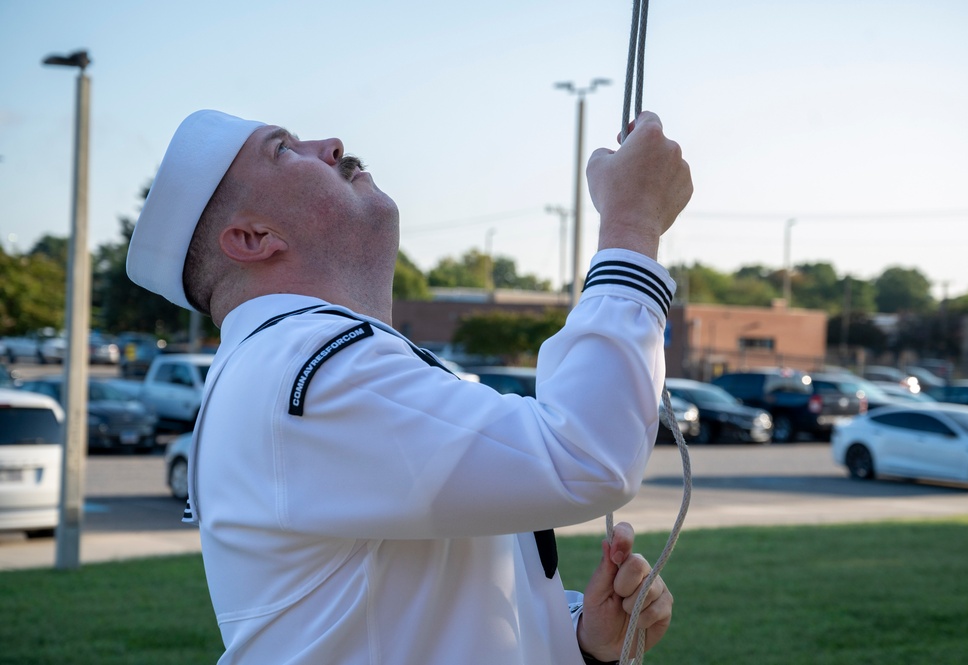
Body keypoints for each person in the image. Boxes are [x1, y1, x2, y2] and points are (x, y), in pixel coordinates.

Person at [127, 107, 692, 664]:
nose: (331, 144)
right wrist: (631, 226)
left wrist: (578, 639)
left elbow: (419, 613)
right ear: (252, 237)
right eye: (283, 149)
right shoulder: (305, 367)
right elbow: (586, 453)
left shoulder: (305, 364)